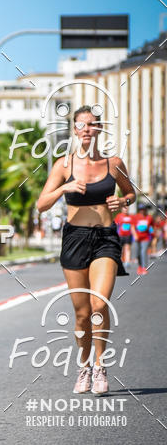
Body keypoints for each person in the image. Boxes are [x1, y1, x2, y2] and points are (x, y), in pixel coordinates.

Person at [36, 106, 135, 395]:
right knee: (81, 314)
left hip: (105, 237)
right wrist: (64, 189)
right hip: (75, 238)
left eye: (93, 125)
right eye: (82, 125)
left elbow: (130, 193)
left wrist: (124, 202)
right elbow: (42, 203)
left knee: (99, 305)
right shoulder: (63, 165)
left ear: (100, 129)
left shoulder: (113, 163)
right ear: (75, 129)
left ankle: (101, 366)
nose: (87, 130)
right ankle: (84, 366)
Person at [131, 205, 154, 275]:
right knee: (138, 253)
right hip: (137, 237)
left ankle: (144, 267)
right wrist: (135, 235)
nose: (142, 211)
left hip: (146, 238)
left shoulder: (149, 217)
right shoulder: (136, 217)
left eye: (143, 209)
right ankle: (140, 266)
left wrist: (153, 234)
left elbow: (152, 227)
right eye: (141, 209)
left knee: (143, 251)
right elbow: (132, 227)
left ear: (145, 210)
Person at [114, 204, 134, 270]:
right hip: (120, 235)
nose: (126, 209)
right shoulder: (119, 216)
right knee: (121, 250)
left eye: (127, 208)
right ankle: (121, 261)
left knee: (127, 248)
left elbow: (132, 227)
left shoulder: (131, 217)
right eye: (124, 208)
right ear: (121, 209)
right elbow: (116, 225)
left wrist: (134, 235)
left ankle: (127, 262)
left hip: (128, 235)